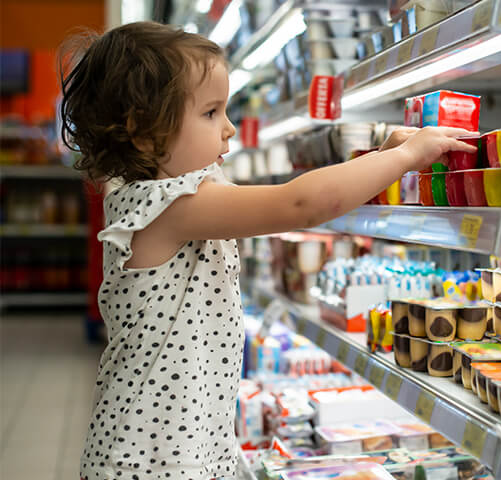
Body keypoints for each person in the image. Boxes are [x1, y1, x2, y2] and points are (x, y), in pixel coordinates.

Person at [59, 21, 475, 480]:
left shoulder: (180, 196)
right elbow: (298, 202)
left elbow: (298, 193)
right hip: (155, 457)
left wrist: (378, 154)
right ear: (142, 131)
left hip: (182, 442)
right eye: (211, 113)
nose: (229, 129)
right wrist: (402, 159)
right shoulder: (166, 205)